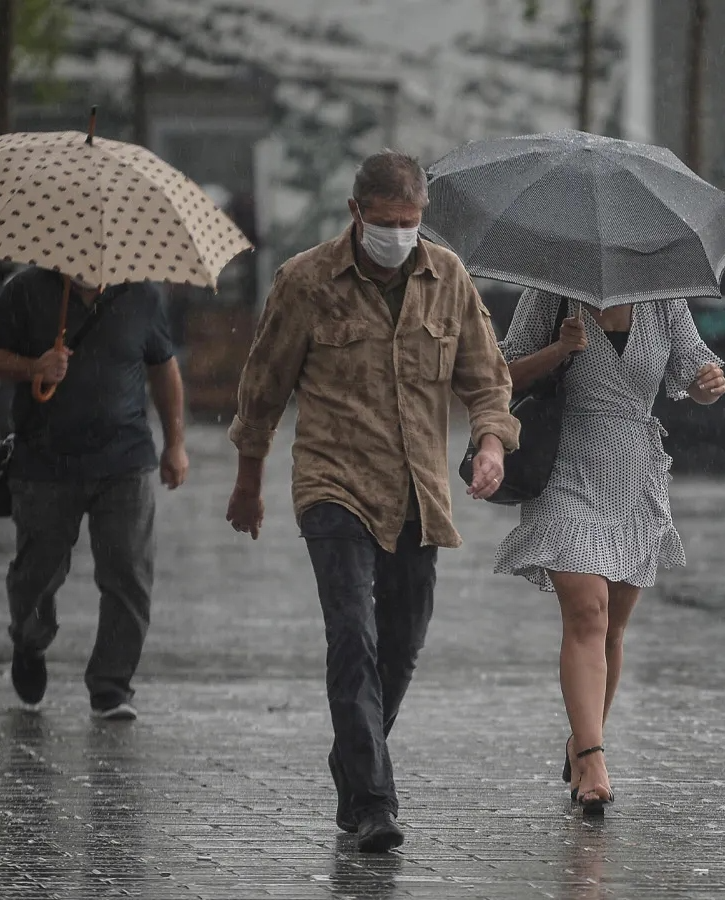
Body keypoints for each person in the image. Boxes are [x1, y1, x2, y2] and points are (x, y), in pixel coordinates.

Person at [224, 150, 520, 852]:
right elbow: (263, 388)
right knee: (352, 633)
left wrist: (490, 444)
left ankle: (354, 757)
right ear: (355, 213)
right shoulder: (306, 281)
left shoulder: (447, 277)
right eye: (386, 221)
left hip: (419, 490)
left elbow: (487, 379)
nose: (398, 234)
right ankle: (371, 803)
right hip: (334, 483)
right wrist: (247, 479)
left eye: (411, 221)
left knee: (403, 644)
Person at [494, 288, 725, 814]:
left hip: (633, 473)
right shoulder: (551, 292)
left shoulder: (662, 297)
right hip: (566, 468)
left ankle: (581, 742)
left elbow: (694, 370)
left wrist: (708, 384)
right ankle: (595, 759)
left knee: (613, 630)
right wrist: (558, 351)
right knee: (586, 614)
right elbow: (500, 374)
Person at [0, 268, 188, 721]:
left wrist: (175, 444)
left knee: (129, 574)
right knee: (37, 574)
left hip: (125, 460)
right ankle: (29, 641)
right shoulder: (26, 290)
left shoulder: (142, 295)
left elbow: (163, 367)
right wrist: (34, 366)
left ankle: (112, 686)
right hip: (44, 462)